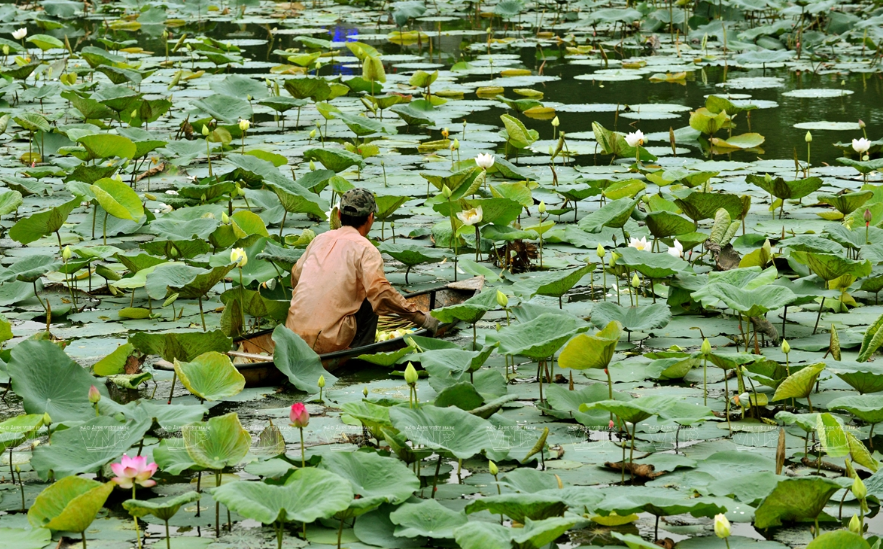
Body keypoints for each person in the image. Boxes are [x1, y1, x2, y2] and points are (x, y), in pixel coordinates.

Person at [285, 188, 440, 354]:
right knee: (373, 294)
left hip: (292, 338)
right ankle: (361, 351)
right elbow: (381, 293)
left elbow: (296, 277)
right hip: (331, 342)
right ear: (370, 217)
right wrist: (421, 318)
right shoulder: (366, 249)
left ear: (338, 216)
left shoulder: (318, 239)